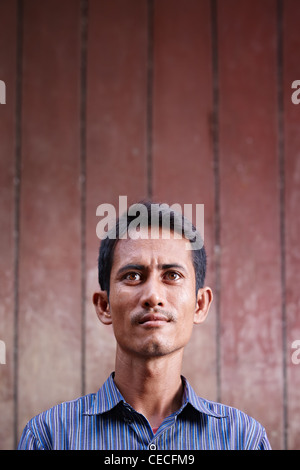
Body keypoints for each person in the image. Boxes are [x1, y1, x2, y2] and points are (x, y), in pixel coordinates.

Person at [18, 201, 271, 450]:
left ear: (200, 304)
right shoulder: (49, 437)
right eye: (133, 276)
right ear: (104, 305)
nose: (153, 295)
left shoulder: (242, 439)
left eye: (172, 275)